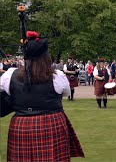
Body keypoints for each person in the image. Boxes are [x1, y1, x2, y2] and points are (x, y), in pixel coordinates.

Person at [0, 31, 84, 161]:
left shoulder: (10, 75)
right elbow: (66, 92)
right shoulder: (58, 76)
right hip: (52, 124)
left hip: (21, 126)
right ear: (46, 56)